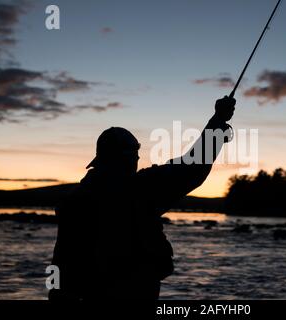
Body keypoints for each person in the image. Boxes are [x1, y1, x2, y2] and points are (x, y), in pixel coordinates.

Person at [49, 96, 236, 300]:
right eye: (134, 156)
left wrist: (56, 295)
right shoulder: (142, 189)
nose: (137, 160)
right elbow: (191, 168)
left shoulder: (76, 200)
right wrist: (218, 121)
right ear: (128, 159)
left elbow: (60, 261)